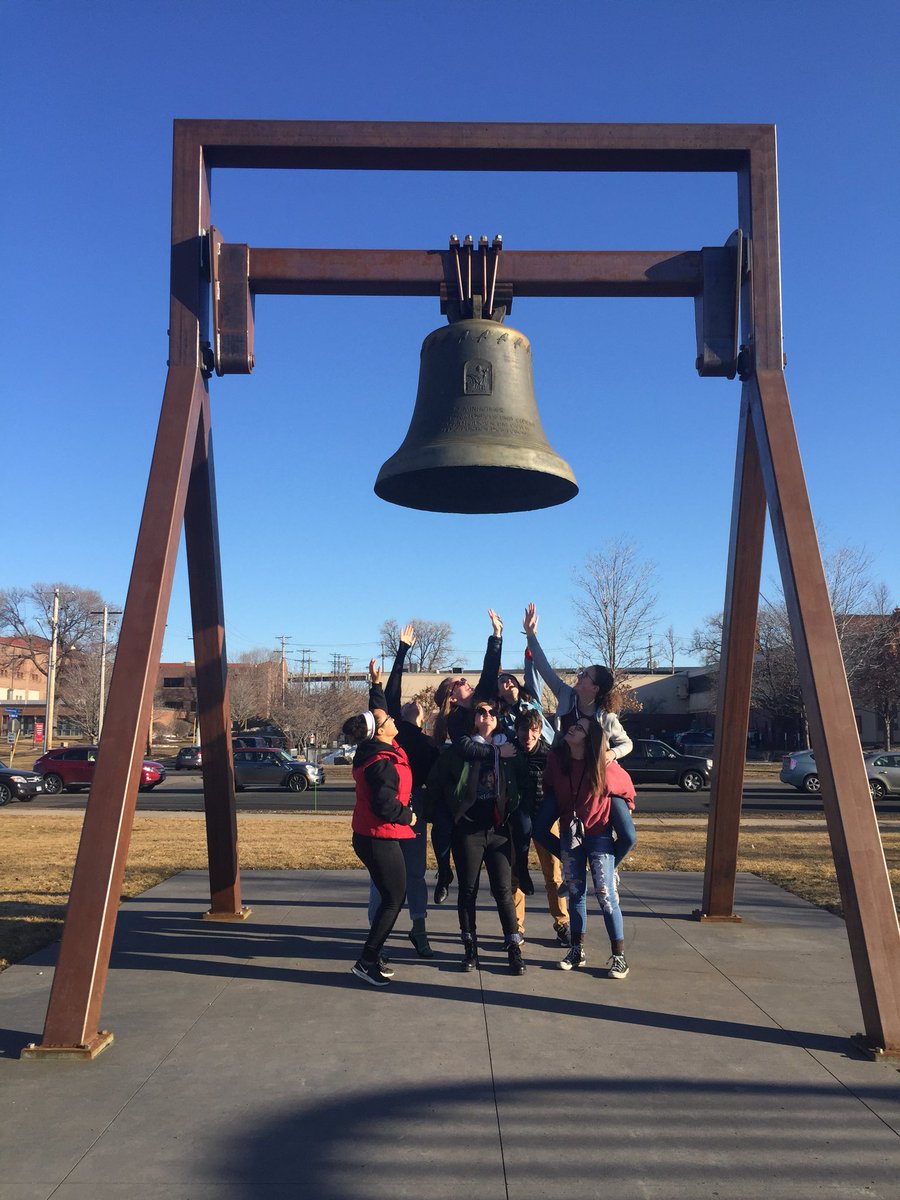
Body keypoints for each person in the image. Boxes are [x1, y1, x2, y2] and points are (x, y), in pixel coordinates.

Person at [524, 602, 637, 871]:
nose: (579, 676)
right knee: (539, 828)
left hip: (598, 780)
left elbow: (627, 743)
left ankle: (608, 868)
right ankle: (574, 861)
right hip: (566, 774)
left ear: (595, 688)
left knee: (628, 835)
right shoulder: (566, 695)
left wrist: (611, 753)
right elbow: (544, 667)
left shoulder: (606, 717)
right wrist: (530, 635)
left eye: (585, 675)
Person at [425, 697, 529, 975]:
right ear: (473, 718)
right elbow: (436, 782)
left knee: (503, 890)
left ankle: (513, 947)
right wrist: (446, 811)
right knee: (468, 890)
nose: (487, 715)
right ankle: (470, 949)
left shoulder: (509, 748)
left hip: (499, 830)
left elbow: (524, 780)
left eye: (492, 712)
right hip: (468, 829)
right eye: (481, 711)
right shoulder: (462, 750)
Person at [541, 717, 636, 978]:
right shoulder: (559, 761)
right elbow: (549, 785)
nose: (572, 728)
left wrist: (621, 807)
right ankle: (577, 949)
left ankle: (619, 956)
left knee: (605, 894)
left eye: (579, 728)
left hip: (598, 835)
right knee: (575, 893)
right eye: (574, 725)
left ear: (589, 739)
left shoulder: (604, 766)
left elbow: (628, 791)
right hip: (570, 835)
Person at [342, 666, 417, 987]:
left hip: (372, 836)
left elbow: (377, 710)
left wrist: (375, 683)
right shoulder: (380, 763)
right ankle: (367, 961)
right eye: (387, 720)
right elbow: (385, 806)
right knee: (393, 898)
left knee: (391, 896)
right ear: (381, 732)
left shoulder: (375, 746)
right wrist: (408, 816)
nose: (392, 718)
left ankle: (372, 955)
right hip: (378, 838)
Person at [367, 627, 439, 958]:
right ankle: (377, 936)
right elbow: (388, 696)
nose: (414, 703)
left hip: (413, 811)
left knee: (414, 872)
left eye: (419, 704)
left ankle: (418, 927)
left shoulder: (427, 745)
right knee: (380, 876)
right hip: (387, 810)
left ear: (423, 720)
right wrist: (402, 651)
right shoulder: (392, 734)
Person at [430, 609, 505, 905]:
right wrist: (496, 751)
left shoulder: (482, 701)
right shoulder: (455, 720)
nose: (465, 680)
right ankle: (444, 873)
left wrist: (496, 635)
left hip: (489, 786)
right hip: (459, 786)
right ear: (452, 696)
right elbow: (465, 748)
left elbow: (490, 668)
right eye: (458, 681)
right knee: (441, 827)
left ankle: (514, 875)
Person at [513, 707, 571, 946]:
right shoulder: (510, 752)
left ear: (539, 732)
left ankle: (562, 923)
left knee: (553, 874)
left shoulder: (549, 755)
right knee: (516, 873)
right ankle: (516, 927)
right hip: (516, 820)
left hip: (545, 821)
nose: (528, 736)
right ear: (516, 731)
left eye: (533, 730)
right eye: (523, 730)